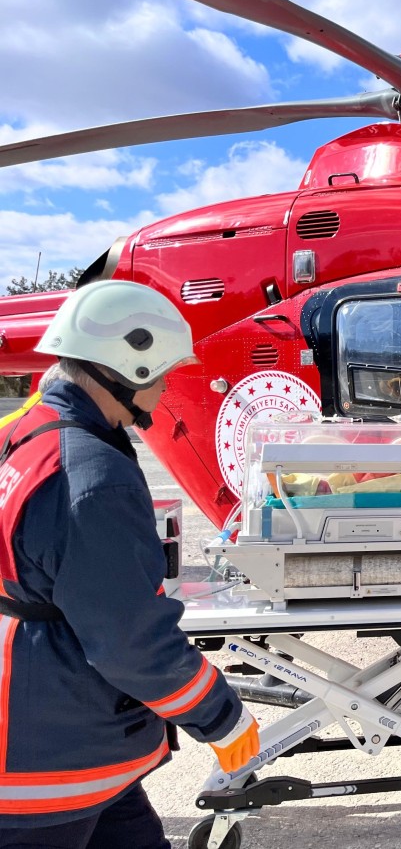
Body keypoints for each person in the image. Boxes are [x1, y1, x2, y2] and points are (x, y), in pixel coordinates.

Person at [0, 281, 260, 847]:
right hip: (54, 762)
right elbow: (132, 642)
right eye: (162, 371)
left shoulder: (23, 433)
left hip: (54, 723)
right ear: (131, 366)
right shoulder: (92, 476)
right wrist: (221, 716)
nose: (166, 385)